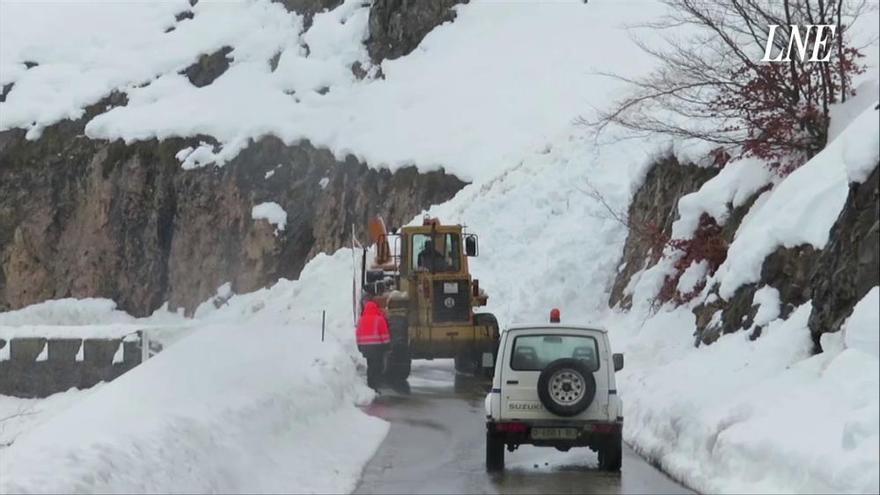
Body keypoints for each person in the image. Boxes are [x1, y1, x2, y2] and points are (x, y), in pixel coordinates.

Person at [356, 300, 391, 390]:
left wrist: (359, 346)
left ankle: (370, 383)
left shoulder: (361, 320)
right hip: (377, 347)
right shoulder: (379, 319)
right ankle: (375, 385)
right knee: (377, 366)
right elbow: (384, 334)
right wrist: (387, 345)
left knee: (370, 364)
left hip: (365, 347)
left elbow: (358, 334)